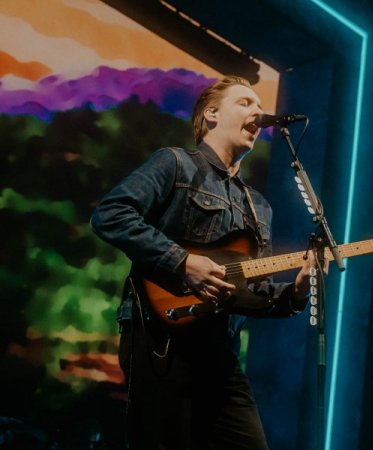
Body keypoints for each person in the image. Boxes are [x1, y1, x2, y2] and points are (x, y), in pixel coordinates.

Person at [91, 75, 325, 449]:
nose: (258, 111)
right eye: (245, 102)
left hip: (220, 354)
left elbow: (250, 290)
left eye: (258, 105)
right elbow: (111, 214)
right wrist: (183, 263)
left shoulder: (259, 206)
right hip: (161, 339)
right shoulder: (175, 164)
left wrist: (294, 293)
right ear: (212, 114)